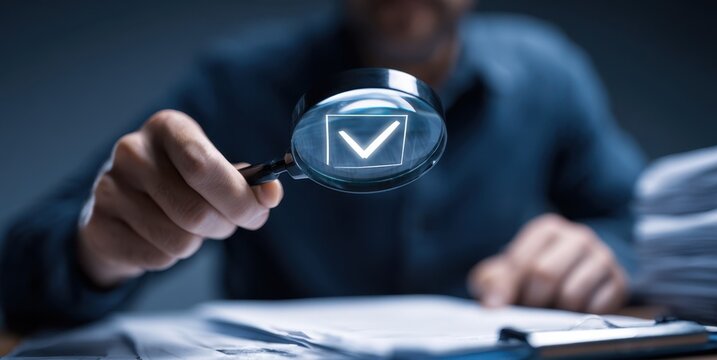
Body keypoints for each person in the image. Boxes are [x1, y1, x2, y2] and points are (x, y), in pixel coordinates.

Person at [0, 0, 644, 333]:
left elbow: (638, 218)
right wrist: (100, 252)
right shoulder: (237, 85)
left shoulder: (549, 77)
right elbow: (21, 269)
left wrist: (606, 249)